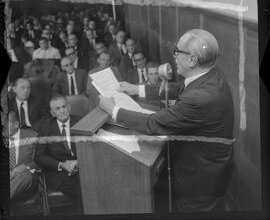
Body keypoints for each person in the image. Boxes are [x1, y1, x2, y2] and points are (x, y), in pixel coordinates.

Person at [99, 29, 234, 212]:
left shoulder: (199, 99)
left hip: (199, 183)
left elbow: (153, 124)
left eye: (177, 52)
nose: (175, 57)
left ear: (192, 60)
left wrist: (113, 110)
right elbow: (181, 88)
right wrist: (137, 89)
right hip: (210, 171)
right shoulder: (211, 74)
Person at [35, 95, 82, 210]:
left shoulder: (82, 122)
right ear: (52, 113)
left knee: (88, 183)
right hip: (60, 172)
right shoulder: (45, 128)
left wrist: (79, 162)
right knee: (81, 188)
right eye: (57, 109)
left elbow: (91, 148)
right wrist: (61, 165)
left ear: (69, 107)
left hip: (82, 167)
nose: (62, 111)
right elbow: (39, 156)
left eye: (64, 106)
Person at [7, 111, 38, 200]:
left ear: (16, 124)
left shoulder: (33, 136)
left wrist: (24, 167)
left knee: (24, 176)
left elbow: (40, 159)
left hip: (27, 180)